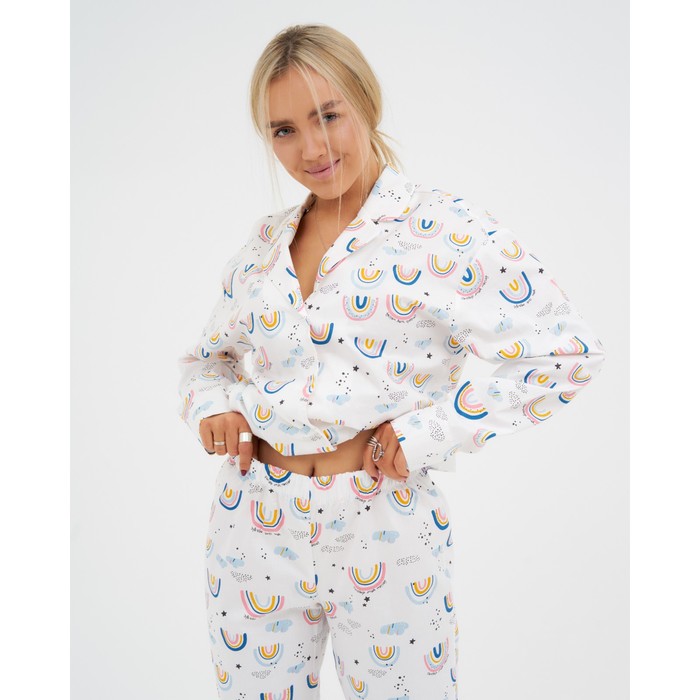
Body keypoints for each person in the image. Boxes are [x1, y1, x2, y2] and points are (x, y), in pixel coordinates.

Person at [177, 23, 605, 700]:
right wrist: (214, 408)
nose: (312, 148)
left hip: (383, 527)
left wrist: (428, 433)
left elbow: (564, 351)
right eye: (284, 130)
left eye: (328, 115)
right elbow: (208, 362)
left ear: (366, 102)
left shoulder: (443, 231)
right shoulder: (263, 247)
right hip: (251, 527)